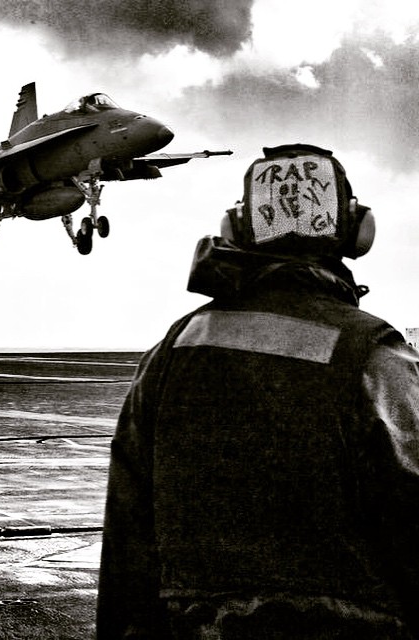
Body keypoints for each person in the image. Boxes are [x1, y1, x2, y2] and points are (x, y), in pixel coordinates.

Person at [96, 144, 419, 639]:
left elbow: (128, 532)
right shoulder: (372, 351)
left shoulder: (177, 347)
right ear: (357, 232)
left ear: (235, 229)